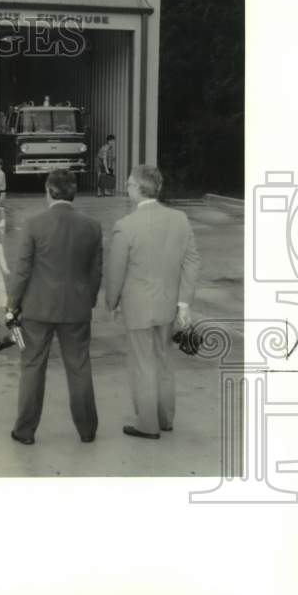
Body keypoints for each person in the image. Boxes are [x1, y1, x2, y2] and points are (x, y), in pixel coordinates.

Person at [6, 169, 102, 445]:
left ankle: (24, 431)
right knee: (80, 367)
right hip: (77, 308)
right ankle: (87, 430)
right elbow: (96, 272)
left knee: (32, 367)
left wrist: (12, 304)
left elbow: (22, 270)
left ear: (48, 191)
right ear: (74, 192)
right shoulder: (92, 226)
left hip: (37, 309)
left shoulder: (34, 224)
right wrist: (89, 300)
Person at [105, 164, 201, 439]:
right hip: (169, 305)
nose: (127, 187)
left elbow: (115, 271)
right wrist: (184, 302)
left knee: (142, 365)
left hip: (138, 307)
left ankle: (147, 425)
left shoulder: (125, 226)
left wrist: (111, 303)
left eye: (129, 184)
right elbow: (192, 261)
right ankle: (165, 419)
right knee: (163, 361)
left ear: (139, 189)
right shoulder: (180, 219)